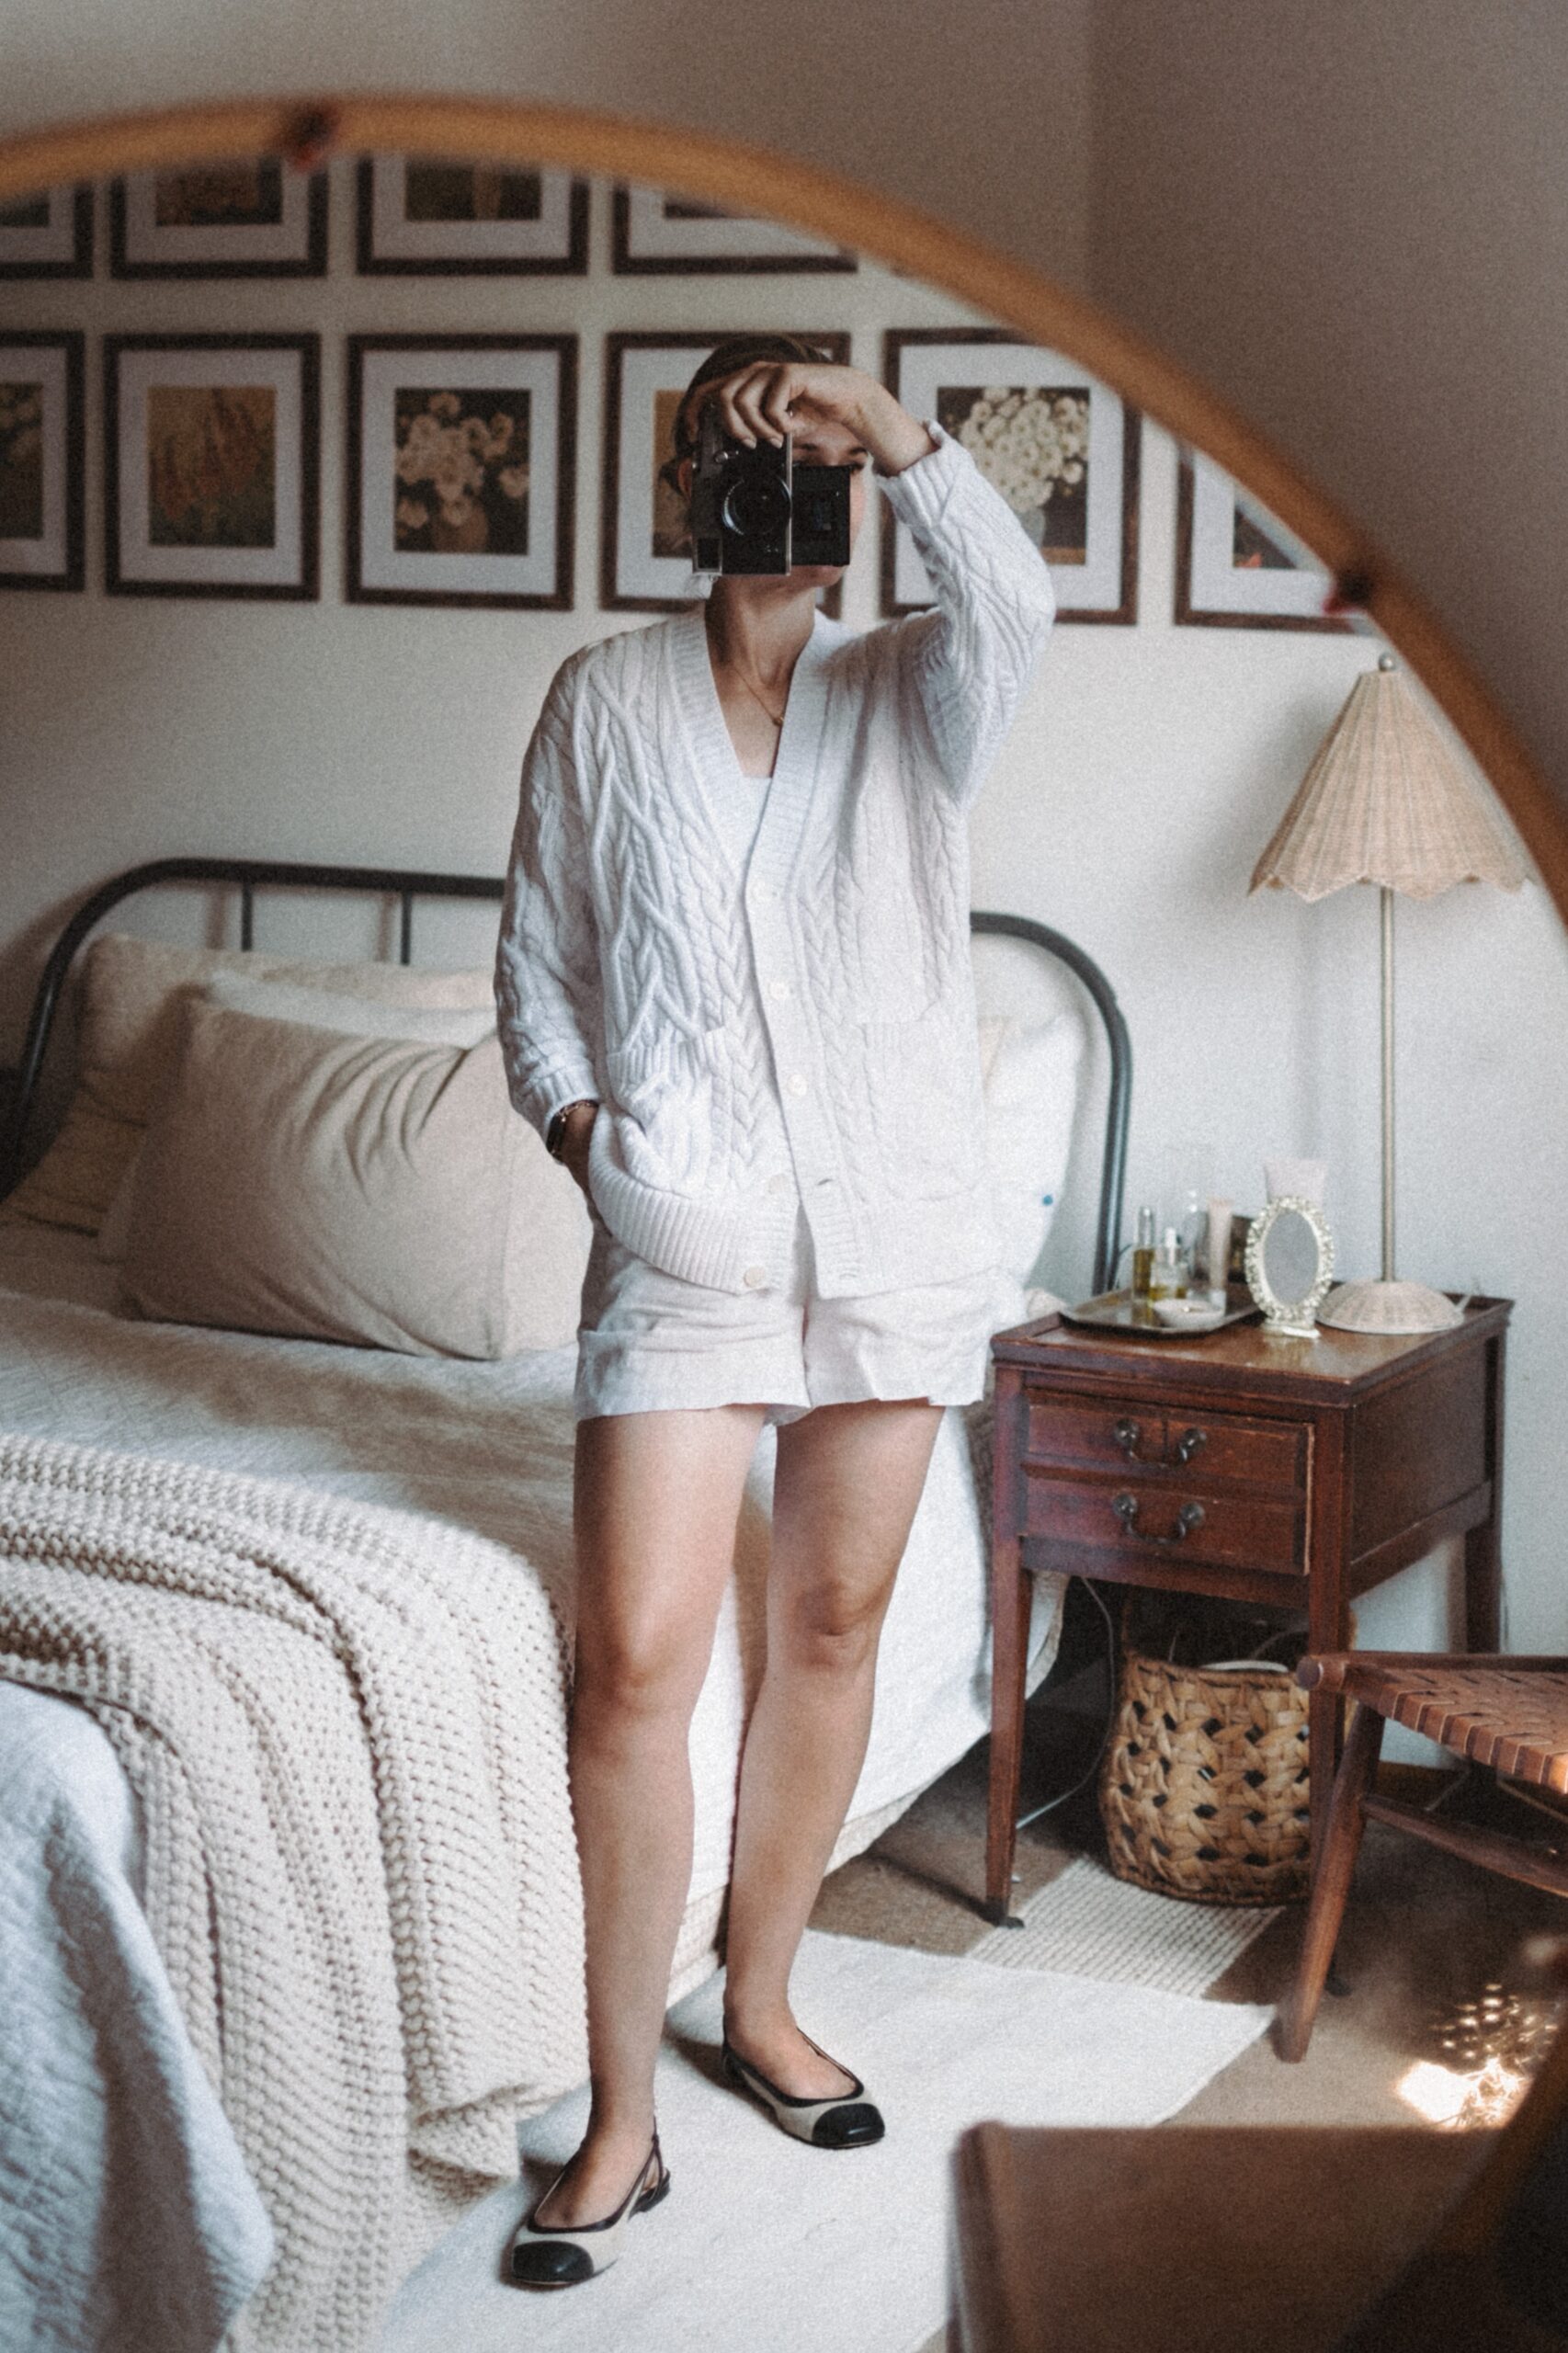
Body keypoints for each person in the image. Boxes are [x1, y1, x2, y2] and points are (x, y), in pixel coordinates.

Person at [495, 335, 1054, 2288]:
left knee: (827, 1619)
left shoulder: (915, 691)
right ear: (675, 487)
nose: (767, 498)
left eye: (792, 462)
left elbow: (1017, 593)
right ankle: (618, 2117)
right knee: (635, 1659)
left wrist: (885, 427)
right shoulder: (601, 699)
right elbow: (541, 968)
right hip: (681, 1243)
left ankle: (761, 1995)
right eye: (730, 462)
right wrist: (592, 1138)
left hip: (890, 1235)